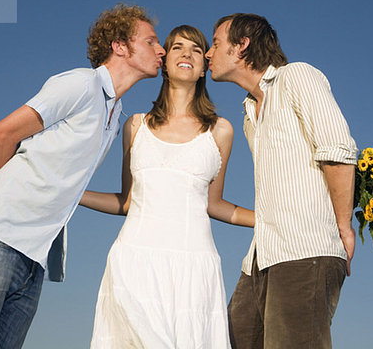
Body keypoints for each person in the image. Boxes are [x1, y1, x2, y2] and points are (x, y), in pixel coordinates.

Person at [0, 4, 166, 349]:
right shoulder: (81, 85)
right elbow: (1, 134)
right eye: (151, 41)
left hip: (35, 257)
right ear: (120, 45)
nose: (161, 50)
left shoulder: (115, 116)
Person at [79, 25, 254, 348]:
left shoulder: (221, 131)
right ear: (164, 63)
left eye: (197, 49)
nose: (187, 53)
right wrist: (73, 193)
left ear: (204, 67)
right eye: (177, 47)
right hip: (134, 263)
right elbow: (128, 201)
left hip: (194, 270)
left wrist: (270, 220)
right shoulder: (136, 126)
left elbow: (214, 204)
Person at [205, 13, 358, 349]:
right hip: (261, 258)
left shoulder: (296, 77)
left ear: (242, 45)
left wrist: (343, 226)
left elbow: (338, 150)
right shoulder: (249, 114)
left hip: (306, 252)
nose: (207, 53)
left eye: (216, 44)